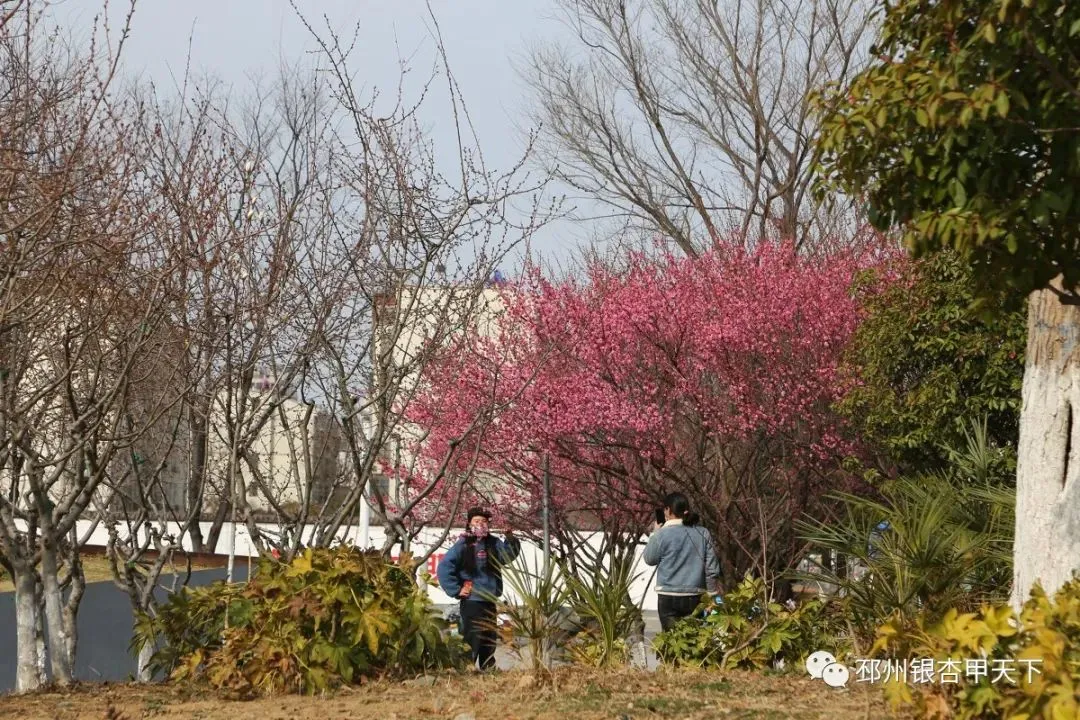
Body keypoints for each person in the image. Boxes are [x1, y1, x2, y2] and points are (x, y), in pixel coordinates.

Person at [437, 506, 521, 670]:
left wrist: (510, 538)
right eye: (477, 521)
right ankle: (466, 667)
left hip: (489, 599)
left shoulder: (494, 543)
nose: (481, 524)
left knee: (489, 636)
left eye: (484, 521)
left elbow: (508, 555)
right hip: (472, 600)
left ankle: (488, 667)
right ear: (469, 523)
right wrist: (456, 589)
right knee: (472, 635)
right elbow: (444, 568)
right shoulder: (463, 544)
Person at [643, 492, 722, 632]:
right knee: (695, 640)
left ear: (667, 510)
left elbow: (649, 559)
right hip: (696, 595)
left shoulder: (661, 534)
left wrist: (655, 533)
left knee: (670, 642)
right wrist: (711, 594)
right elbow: (712, 569)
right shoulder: (702, 533)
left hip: (667, 596)